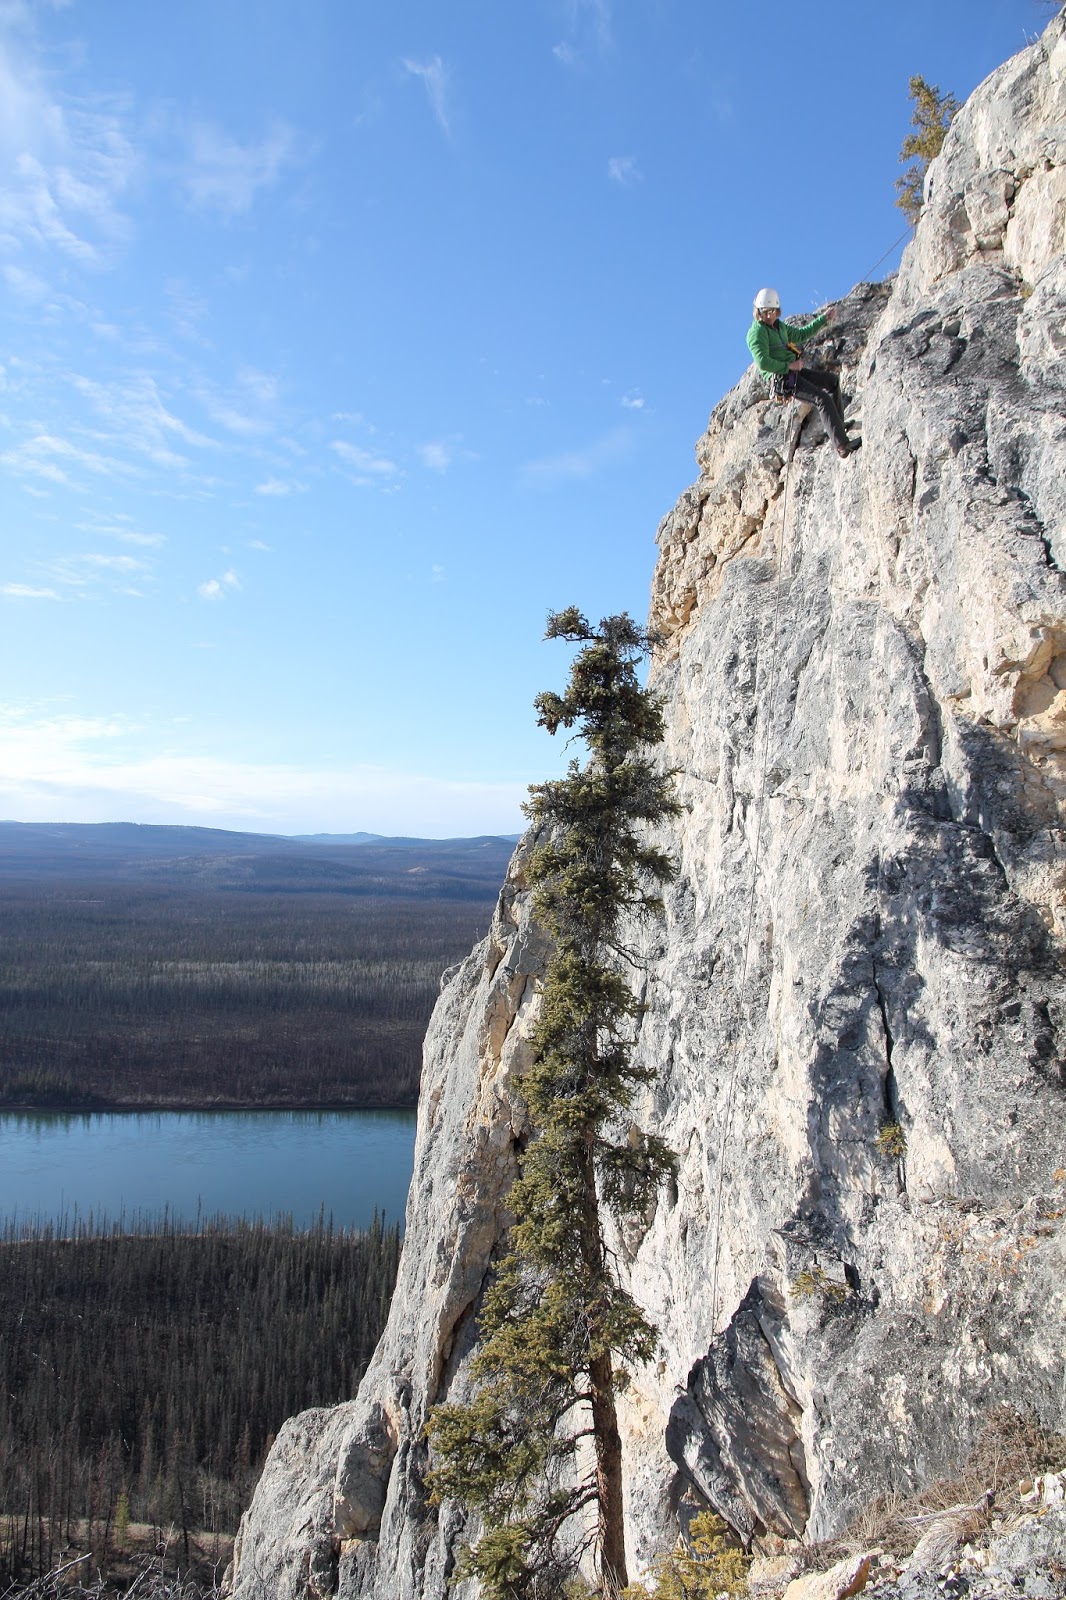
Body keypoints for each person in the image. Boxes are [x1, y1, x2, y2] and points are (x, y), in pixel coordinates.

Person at [746, 287, 860, 459]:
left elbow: (801, 334)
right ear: (758, 311)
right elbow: (763, 362)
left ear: (777, 311)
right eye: (764, 312)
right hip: (782, 379)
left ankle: (838, 426)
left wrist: (824, 320)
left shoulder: (780, 327)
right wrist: (789, 366)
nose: (768, 316)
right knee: (821, 398)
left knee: (832, 381)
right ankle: (842, 446)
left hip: (793, 373)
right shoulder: (756, 333)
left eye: (771, 311)